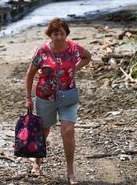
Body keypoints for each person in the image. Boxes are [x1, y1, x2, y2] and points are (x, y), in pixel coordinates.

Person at [25, 18, 91, 185]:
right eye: (56, 33)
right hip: (45, 97)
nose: (59, 37)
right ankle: (37, 163)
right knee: (43, 131)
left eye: (62, 33)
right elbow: (30, 75)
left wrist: (75, 67)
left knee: (68, 130)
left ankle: (70, 171)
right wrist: (27, 98)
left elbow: (87, 56)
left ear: (66, 34)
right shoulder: (42, 51)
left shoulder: (74, 48)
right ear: (50, 34)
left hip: (68, 95)